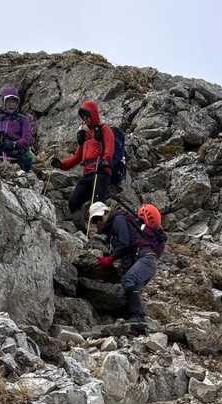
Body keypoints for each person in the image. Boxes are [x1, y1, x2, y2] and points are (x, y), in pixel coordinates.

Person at [92, 201, 166, 332]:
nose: (97, 222)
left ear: (106, 212)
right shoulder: (112, 229)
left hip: (146, 258)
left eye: (98, 218)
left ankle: (138, 317)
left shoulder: (118, 219)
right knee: (130, 285)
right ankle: (136, 324)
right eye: (94, 220)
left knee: (128, 280)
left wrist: (111, 258)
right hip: (144, 260)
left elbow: (125, 243)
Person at [59, 101, 115, 216]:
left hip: (100, 172)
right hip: (87, 174)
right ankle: (83, 225)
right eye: (83, 116)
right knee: (73, 202)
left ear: (93, 114)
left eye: (87, 115)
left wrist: (105, 160)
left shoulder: (104, 129)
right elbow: (76, 158)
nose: (85, 119)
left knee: (97, 206)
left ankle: (99, 225)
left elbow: (109, 149)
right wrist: (61, 164)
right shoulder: (85, 136)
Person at [0, 87, 33, 172]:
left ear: (17, 104)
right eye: (8, 102)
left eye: (14, 102)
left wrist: (13, 144)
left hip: (18, 153)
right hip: (1, 152)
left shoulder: (23, 119)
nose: (11, 105)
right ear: (4, 103)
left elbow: (27, 140)